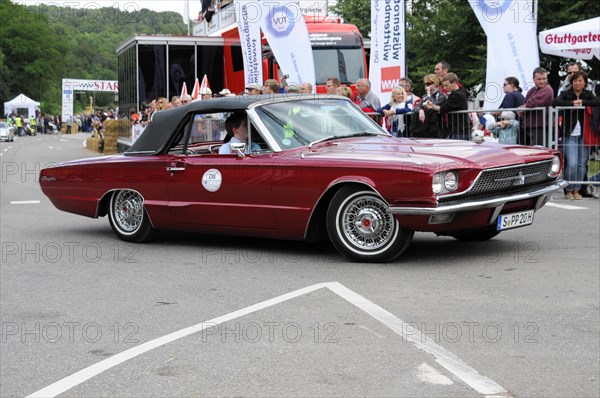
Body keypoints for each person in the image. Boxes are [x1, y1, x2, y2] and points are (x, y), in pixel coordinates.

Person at [552, 71, 600, 200]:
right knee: (572, 163)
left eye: (580, 81)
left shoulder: (588, 94)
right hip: (570, 133)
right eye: (575, 81)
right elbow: (555, 102)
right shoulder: (566, 94)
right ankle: (568, 189)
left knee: (581, 164)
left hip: (584, 134)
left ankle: (577, 189)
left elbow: (597, 102)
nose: (577, 83)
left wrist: (583, 102)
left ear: (585, 82)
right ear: (571, 82)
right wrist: (571, 104)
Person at [425, 73, 470, 140]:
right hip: (459, 128)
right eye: (444, 86)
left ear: (454, 83)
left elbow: (444, 108)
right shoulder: (461, 92)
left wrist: (433, 106)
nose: (445, 88)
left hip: (459, 129)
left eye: (446, 85)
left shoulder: (457, 95)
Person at [520, 67, 554, 146]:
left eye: (544, 79)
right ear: (533, 79)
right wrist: (524, 106)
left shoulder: (547, 89)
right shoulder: (532, 89)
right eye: (539, 79)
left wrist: (524, 107)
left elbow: (531, 103)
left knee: (539, 151)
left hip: (541, 127)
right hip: (531, 125)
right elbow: (526, 102)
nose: (542, 81)